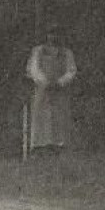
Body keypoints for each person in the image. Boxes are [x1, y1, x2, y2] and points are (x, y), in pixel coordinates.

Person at [25, 26, 78, 155]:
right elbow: (33, 69)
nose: (53, 37)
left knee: (59, 118)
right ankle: (40, 147)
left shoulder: (66, 53)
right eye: (50, 33)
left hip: (60, 91)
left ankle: (59, 146)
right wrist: (45, 82)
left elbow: (71, 70)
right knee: (41, 118)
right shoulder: (38, 51)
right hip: (42, 90)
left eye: (56, 34)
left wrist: (60, 82)